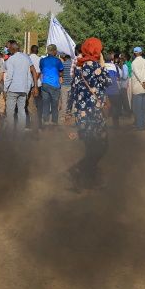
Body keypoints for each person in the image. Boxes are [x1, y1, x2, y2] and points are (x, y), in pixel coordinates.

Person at [65, 38, 111, 187]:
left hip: (82, 114)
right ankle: (79, 170)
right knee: (101, 146)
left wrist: (68, 112)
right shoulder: (98, 68)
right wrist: (102, 63)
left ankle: (87, 178)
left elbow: (72, 92)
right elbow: (109, 82)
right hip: (95, 114)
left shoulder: (79, 69)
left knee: (91, 147)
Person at [3, 40, 36, 139]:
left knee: (10, 112)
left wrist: (5, 89)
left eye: (9, 48)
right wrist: (27, 88)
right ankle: (20, 134)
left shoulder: (11, 60)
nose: (8, 50)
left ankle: (10, 133)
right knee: (21, 111)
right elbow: (29, 76)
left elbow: (9, 76)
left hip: (12, 89)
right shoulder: (26, 59)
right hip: (23, 89)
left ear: (12, 49)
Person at [38, 45, 64, 128]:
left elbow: (42, 70)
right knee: (54, 104)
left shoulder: (42, 60)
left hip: (45, 84)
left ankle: (45, 122)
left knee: (45, 103)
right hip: (55, 85)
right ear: (54, 51)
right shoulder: (58, 61)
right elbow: (61, 72)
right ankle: (54, 123)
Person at [128, 47, 145, 131]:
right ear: (141, 53)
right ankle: (144, 125)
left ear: (134, 53)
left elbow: (137, 74)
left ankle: (139, 125)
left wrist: (143, 82)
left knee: (137, 109)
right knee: (144, 108)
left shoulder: (134, 63)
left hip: (138, 88)